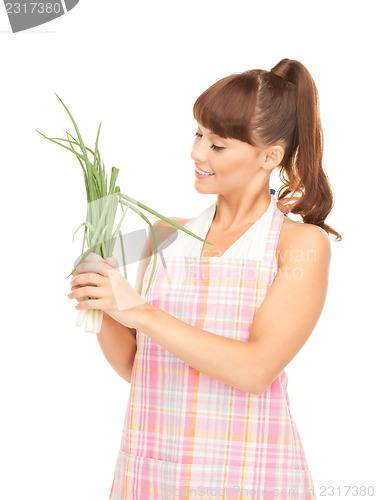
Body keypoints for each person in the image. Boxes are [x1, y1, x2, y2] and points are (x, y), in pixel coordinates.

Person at [68, 58, 342, 499]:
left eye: (218, 145)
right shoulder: (163, 235)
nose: (197, 153)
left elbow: (255, 370)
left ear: (269, 157)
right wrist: (101, 305)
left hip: (250, 473)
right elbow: (139, 368)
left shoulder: (299, 245)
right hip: (153, 471)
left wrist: (137, 310)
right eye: (198, 134)